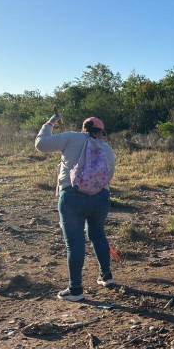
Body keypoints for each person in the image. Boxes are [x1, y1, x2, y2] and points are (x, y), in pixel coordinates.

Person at [35, 114, 117, 302]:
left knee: (74, 243)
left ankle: (76, 289)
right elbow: (109, 175)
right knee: (98, 235)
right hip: (101, 198)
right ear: (101, 132)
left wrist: (50, 123)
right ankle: (106, 276)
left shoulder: (71, 137)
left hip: (72, 197)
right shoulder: (106, 149)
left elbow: (41, 144)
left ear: (84, 128)